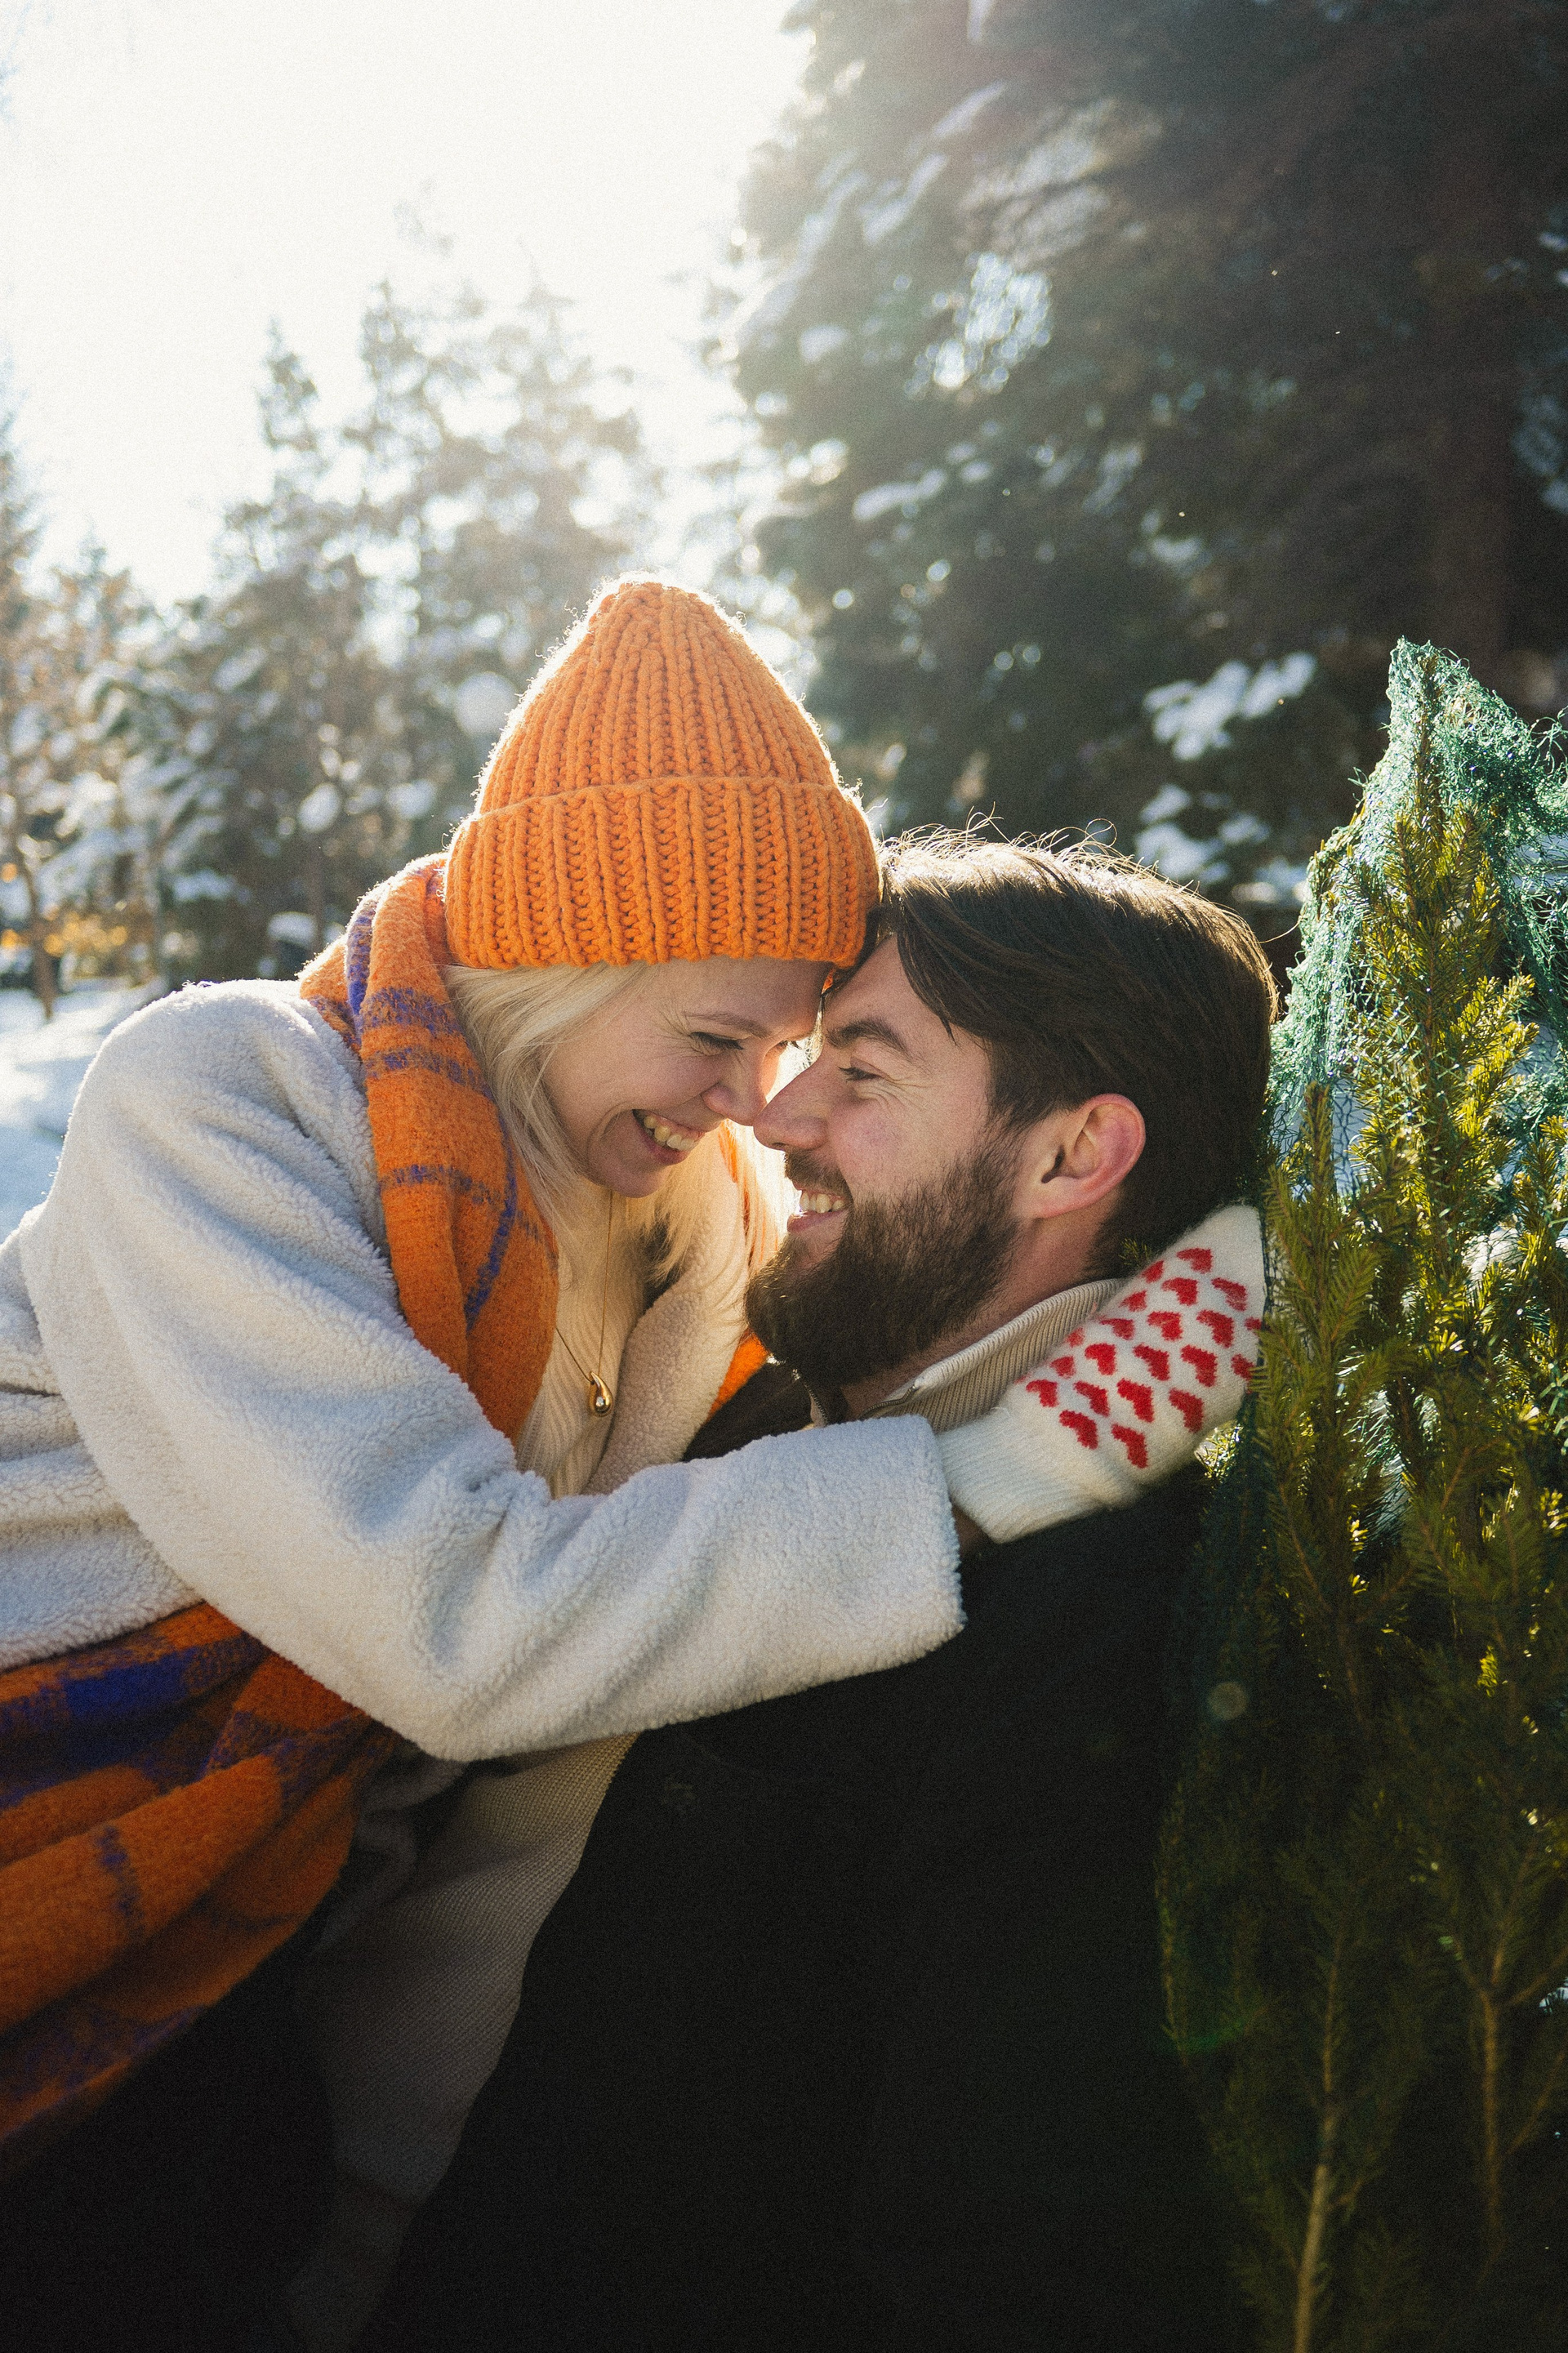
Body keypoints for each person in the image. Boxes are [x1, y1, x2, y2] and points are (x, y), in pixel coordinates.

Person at [0, 586, 1258, 2351]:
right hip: (60, 1811)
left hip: (263, 1973)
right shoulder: (226, 1103)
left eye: (805, 1050)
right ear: (575, 963)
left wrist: (1183, 1290)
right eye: (722, 1037)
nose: (761, 1104)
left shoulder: (676, 1218)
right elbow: (454, 1617)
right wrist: (1013, 1462)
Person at [368, 831, 1276, 2352]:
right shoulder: (765, 1413)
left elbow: (1019, 2264)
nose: (776, 1114)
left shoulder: (1095, 1631)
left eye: (861, 1068)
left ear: (1073, 1156)